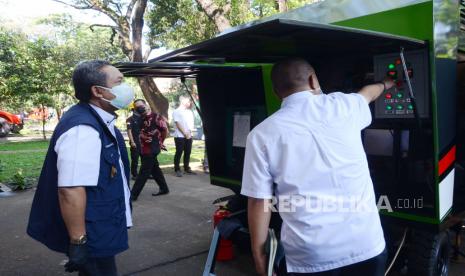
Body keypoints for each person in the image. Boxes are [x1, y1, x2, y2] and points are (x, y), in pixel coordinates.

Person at [241, 58, 395, 276]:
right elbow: (369, 93)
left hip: (311, 257)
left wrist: (259, 256)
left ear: (277, 93)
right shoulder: (345, 105)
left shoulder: (261, 135)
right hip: (366, 245)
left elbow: (259, 200)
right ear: (313, 80)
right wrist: (386, 83)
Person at [27, 60, 135, 275]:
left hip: (101, 222)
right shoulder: (83, 129)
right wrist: (79, 242)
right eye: (119, 82)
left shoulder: (97, 119)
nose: (126, 88)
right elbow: (70, 190)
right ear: (98, 91)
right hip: (92, 231)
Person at [131, 107, 169, 200]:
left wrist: (161, 142)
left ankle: (133, 195)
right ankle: (164, 188)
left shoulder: (156, 117)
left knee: (144, 172)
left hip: (152, 149)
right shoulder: (140, 118)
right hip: (144, 148)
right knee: (155, 169)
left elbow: (164, 130)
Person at [172, 95, 196, 177]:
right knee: (179, 152)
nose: (190, 103)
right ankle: (177, 169)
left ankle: (187, 168)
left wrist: (189, 133)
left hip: (189, 135)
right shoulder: (176, 111)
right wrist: (185, 134)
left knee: (188, 152)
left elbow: (190, 124)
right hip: (179, 136)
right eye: (188, 101)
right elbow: (178, 123)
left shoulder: (189, 112)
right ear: (183, 102)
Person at [126, 99, 145, 179]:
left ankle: (145, 173)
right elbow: (129, 131)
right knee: (135, 159)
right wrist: (132, 142)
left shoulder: (143, 118)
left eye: (141, 106)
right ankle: (134, 174)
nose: (140, 108)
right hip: (135, 142)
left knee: (145, 159)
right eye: (137, 107)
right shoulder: (129, 119)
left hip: (144, 142)